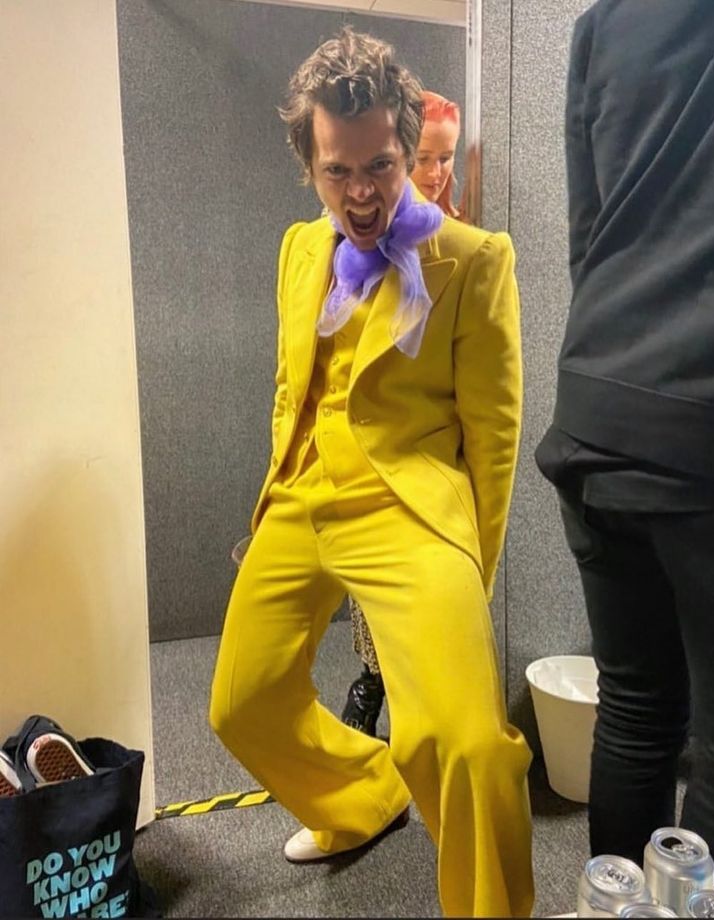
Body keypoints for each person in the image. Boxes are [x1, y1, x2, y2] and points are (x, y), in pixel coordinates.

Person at [209, 27, 533, 917]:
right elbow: (292, 391)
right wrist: (274, 495)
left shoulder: (473, 261)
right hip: (303, 495)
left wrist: (472, 567)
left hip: (411, 510)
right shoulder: (299, 250)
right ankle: (363, 799)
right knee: (241, 703)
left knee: (465, 742)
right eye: (337, 172)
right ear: (310, 163)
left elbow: (493, 436)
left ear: (411, 148)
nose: (360, 194)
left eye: (381, 167)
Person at [536, 0, 714, 883]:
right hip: (710, 422)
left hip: (598, 400)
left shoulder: (605, 20)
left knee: (638, 710)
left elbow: (590, 233)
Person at [341, 89, 464, 736]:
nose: (439, 172)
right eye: (426, 157)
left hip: (439, 456)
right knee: (376, 620)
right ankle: (371, 690)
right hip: (374, 457)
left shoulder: (463, 246)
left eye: (447, 158)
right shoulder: (358, 250)